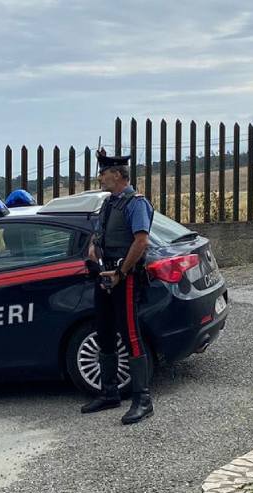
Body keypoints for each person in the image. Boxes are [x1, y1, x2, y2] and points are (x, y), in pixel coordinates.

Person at [81, 151, 155, 425]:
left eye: (104, 172)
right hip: (104, 275)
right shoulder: (109, 203)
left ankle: (143, 400)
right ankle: (109, 392)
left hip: (125, 277)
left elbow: (141, 241)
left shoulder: (136, 204)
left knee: (130, 335)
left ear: (117, 174)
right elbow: (99, 233)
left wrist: (121, 272)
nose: (100, 177)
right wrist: (93, 247)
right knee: (104, 331)